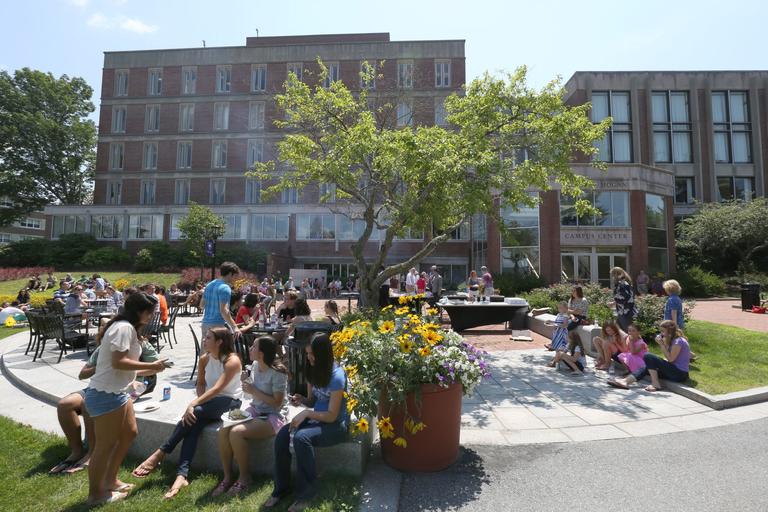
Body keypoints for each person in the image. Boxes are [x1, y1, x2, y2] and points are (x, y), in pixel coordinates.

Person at [131, 327, 242, 499]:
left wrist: (194, 404)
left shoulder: (231, 360)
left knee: (195, 413)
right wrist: (200, 403)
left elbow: (220, 387)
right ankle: (181, 476)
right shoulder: (204, 359)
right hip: (210, 403)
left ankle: (160, 452)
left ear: (220, 342)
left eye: (208, 338)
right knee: (193, 424)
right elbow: (200, 384)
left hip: (230, 402)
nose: (204, 340)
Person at [84, 293, 167, 506]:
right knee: (104, 446)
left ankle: (110, 480)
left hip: (118, 391)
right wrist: (151, 367)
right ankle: (96, 494)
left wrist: (132, 379)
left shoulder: (128, 328)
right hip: (105, 394)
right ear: (140, 311)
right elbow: (119, 362)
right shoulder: (123, 328)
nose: (153, 316)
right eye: (151, 312)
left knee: (130, 432)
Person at [49, 338, 161, 475]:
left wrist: (127, 370)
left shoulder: (141, 344)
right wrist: (102, 367)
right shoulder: (104, 347)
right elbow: (82, 374)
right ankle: (76, 451)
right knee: (64, 404)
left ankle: (91, 453)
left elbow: (154, 368)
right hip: (97, 386)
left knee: (87, 403)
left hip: (124, 387)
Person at [264, 333, 348, 511]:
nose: (309, 357)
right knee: (282, 435)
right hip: (318, 420)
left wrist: (307, 414)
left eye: (312, 354)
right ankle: (281, 489)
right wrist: (301, 399)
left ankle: (307, 494)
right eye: (308, 353)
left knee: (301, 438)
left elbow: (332, 415)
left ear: (324, 354)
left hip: (335, 425)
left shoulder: (337, 377)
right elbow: (312, 401)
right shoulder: (313, 370)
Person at [213, 336, 288, 496]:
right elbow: (252, 392)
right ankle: (227, 476)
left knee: (236, 432)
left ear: (261, 353)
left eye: (253, 347)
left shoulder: (278, 372)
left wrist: (253, 390)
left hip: (274, 416)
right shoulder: (254, 365)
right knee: (223, 429)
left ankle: (245, 477)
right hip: (256, 409)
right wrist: (246, 383)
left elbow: (277, 403)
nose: (250, 349)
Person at [608, 320, 692, 392]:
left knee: (648, 356)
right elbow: (669, 358)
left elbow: (671, 360)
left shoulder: (678, 341)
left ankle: (656, 385)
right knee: (647, 367)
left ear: (669, 331)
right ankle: (625, 381)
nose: (661, 333)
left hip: (679, 373)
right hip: (674, 371)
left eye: (663, 331)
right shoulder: (673, 340)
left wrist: (662, 345)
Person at [200, 261, 241, 340]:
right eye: (235, 276)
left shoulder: (209, 285)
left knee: (206, 351)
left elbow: (202, 305)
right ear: (230, 274)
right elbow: (224, 311)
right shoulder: (225, 288)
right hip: (218, 326)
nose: (236, 279)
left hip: (205, 324)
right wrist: (235, 327)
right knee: (223, 351)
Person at [610, 267, 636, 331]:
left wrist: (613, 302)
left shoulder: (622, 284)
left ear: (616, 275)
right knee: (620, 331)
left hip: (625, 311)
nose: (612, 278)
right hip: (625, 311)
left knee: (627, 332)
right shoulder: (625, 283)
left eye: (613, 275)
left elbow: (623, 298)